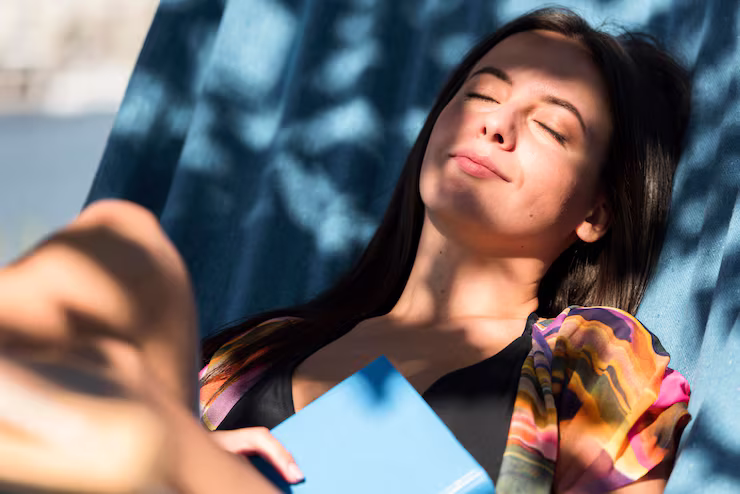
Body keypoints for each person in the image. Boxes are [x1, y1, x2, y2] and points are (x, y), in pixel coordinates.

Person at [0, 6, 691, 494]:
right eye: (481, 93)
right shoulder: (258, 352)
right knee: (117, 239)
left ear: (597, 213)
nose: (497, 126)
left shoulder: (593, 360)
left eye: (550, 127)